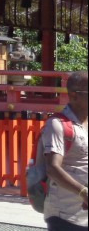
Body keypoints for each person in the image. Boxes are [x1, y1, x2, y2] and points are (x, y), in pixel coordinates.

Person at [41, 70, 88, 231]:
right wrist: (83, 192)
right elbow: (52, 168)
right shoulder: (57, 124)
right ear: (74, 95)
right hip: (65, 215)